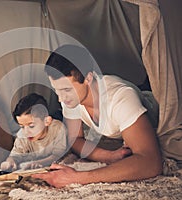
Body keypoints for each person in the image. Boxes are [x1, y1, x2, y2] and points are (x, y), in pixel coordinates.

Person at [32, 44, 162, 188]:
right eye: (57, 90)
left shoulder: (121, 98)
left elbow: (151, 162)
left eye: (66, 90)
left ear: (88, 78)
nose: (60, 99)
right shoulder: (70, 99)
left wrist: (78, 178)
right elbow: (75, 139)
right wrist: (109, 156)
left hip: (154, 104)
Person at [0, 93, 67, 171]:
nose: (26, 132)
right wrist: (9, 161)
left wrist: (39, 163)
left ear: (47, 121)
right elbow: (15, 155)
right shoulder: (23, 134)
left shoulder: (58, 128)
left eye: (31, 126)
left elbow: (57, 155)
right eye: (22, 126)